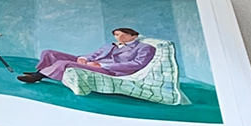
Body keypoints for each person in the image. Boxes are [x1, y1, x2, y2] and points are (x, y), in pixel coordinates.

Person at [18, 27, 155, 86]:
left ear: (134, 36)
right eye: (117, 35)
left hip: (109, 69)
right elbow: (96, 54)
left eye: (124, 35)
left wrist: (102, 65)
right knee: (49, 53)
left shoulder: (144, 48)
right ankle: (40, 71)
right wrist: (85, 58)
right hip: (92, 63)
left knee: (63, 63)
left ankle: (38, 77)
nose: (120, 37)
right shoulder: (111, 45)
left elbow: (137, 64)